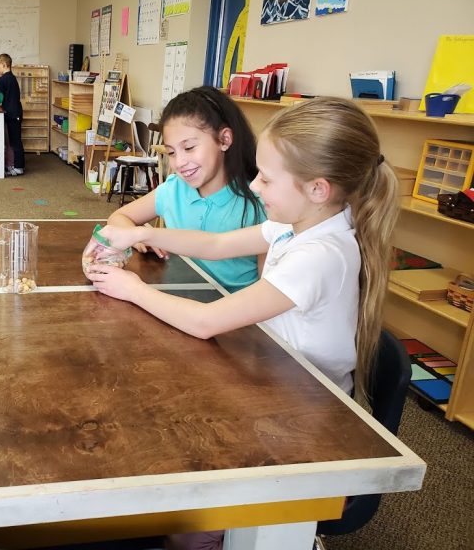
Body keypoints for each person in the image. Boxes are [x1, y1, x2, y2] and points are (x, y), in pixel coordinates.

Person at [88, 98, 399, 549]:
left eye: (267, 178)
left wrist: (132, 288)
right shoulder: (300, 224)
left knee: (185, 530)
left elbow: (205, 321)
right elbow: (215, 244)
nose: (254, 185)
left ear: (318, 188)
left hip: (303, 423)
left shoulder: (319, 255)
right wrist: (142, 232)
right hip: (273, 383)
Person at [103, 86, 266, 292]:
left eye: (189, 148)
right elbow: (118, 217)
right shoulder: (173, 190)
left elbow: (265, 289)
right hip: (178, 297)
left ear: (224, 139)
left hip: (230, 308)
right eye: (171, 152)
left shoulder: (261, 202)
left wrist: (143, 234)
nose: (179, 162)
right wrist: (137, 236)